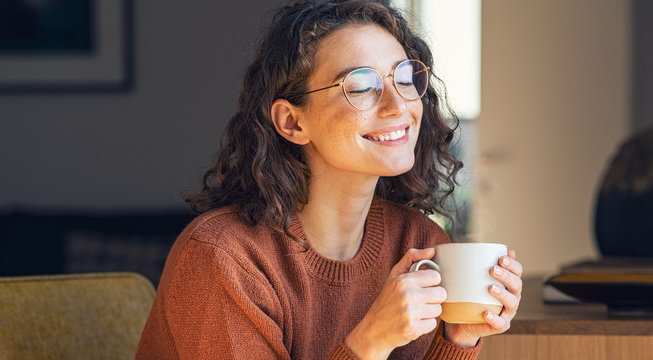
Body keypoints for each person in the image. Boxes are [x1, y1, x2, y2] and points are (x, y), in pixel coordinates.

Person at [136, 0, 523, 359]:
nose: (397, 105)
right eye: (360, 86)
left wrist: (458, 337)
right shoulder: (223, 259)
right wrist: (371, 341)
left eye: (404, 78)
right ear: (293, 121)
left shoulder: (419, 243)